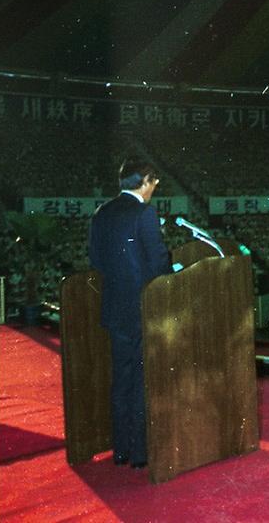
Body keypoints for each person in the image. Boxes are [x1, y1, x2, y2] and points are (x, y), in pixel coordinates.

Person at [88, 156, 171, 469]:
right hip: (143, 310)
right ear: (145, 181)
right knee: (140, 380)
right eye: (154, 182)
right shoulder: (144, 214)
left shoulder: (101, 213)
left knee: (121, 379)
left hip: (115, 310)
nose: (155, 188)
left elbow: (96, 260)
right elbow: (159, 264)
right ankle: (140, 454)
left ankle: (121, 449)